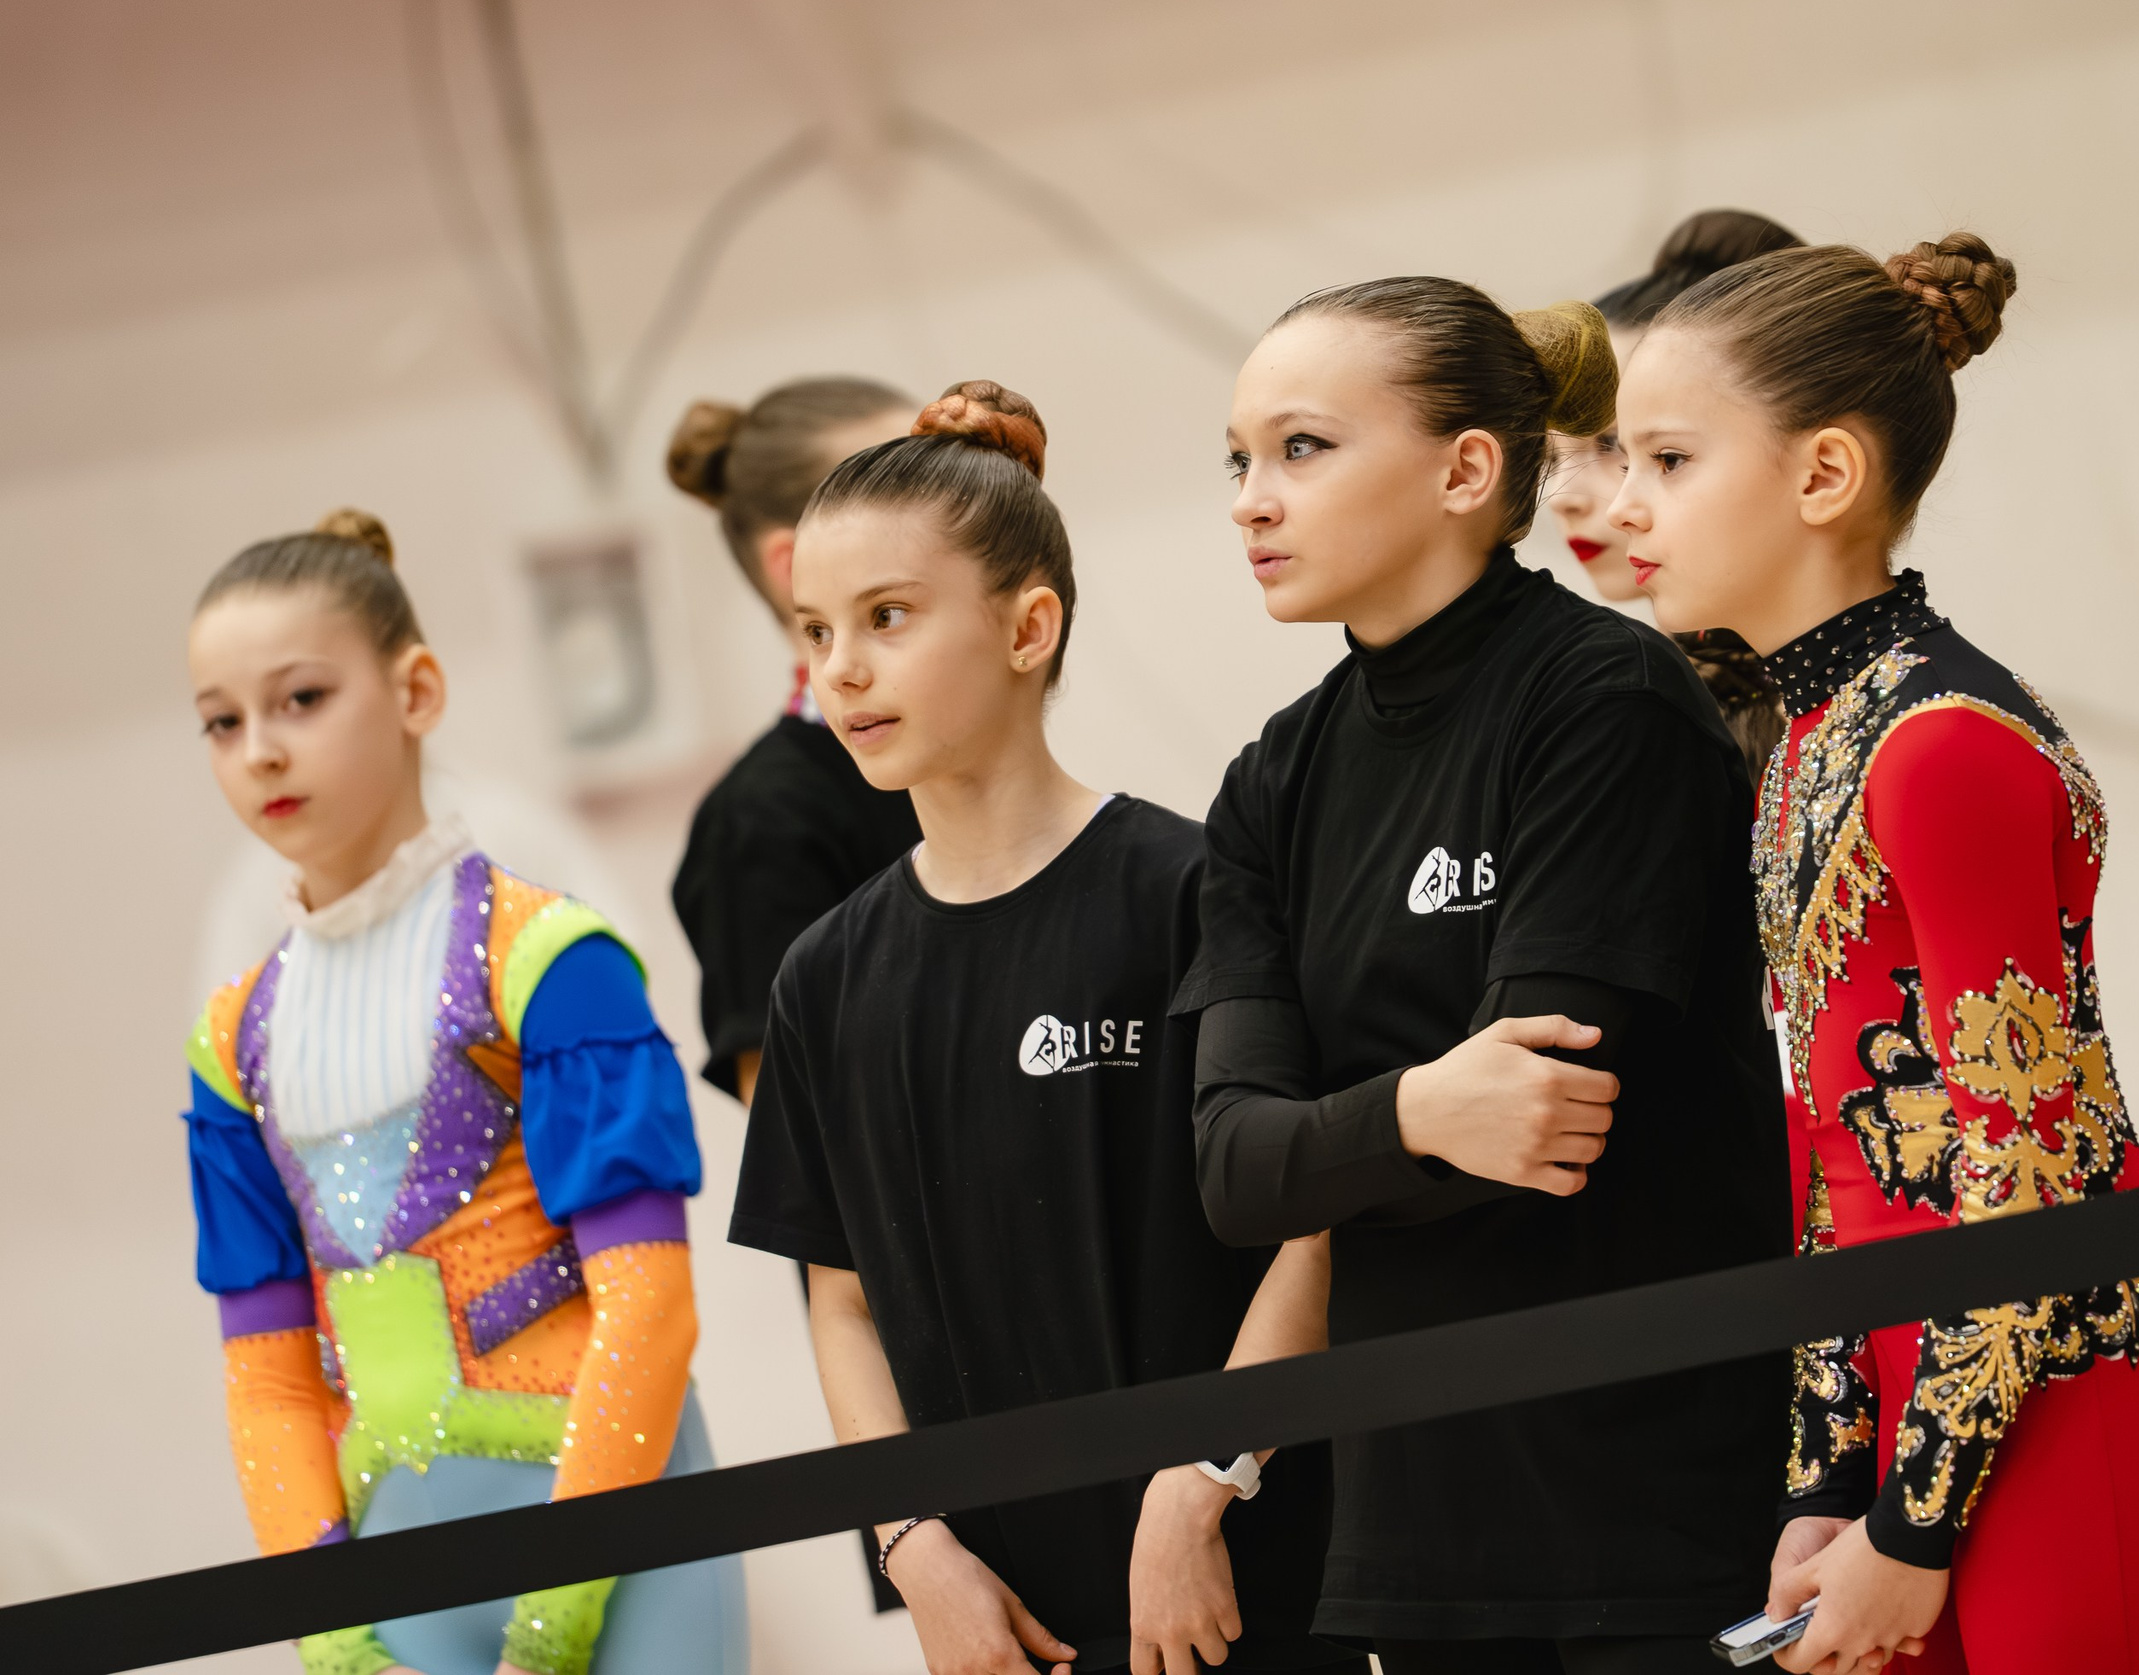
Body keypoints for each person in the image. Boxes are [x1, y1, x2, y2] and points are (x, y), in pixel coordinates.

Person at [1607, 233, 2139, 1675]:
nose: (1624, 503)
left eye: (1669, 461)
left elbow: (2029, 1169)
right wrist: (1831, 1484)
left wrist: (1916, 1516)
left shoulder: (1939, 743)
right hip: (1921, 1387)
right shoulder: (1801, 753)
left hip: (2069, 1370)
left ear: (1823, 477)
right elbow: (1838, 1163)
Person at [1181, 278, 1792, 1672]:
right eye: (1238, 458)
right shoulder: (1270, 782)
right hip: (1417, 1531)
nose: (1250, 501)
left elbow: (1537, 1111)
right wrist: (1409, 1114)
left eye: (1302, 448)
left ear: (1466, 469)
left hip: (1661, 1505)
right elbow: (1230, 1168)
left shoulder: (1605, 700)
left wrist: (1337, 1134)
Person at [724, 385, 1356, 1675]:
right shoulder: (824, 976)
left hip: (1242, 1580)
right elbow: (838, 1301)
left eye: (887, 618)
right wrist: (914, 1551)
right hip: (1000, 1624)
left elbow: (1321, 1227)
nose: (840, 667)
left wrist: (1203, 1485)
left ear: (1028, 626)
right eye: (817, 629)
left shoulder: (1196, 891)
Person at [183, 511, 745, 1675]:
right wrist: (333, 1636)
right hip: (396, 1583)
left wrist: (558, 1615)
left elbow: (649, 1308)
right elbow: (268, 1376)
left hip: (620, 1532)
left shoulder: (548, 960)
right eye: (223, 723)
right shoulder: (232, 1041)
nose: (262, 751)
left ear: (417, 690)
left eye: (301, 700)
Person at [666, 378, 924, 1109]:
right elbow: (804, 1140)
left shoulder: (964, 764)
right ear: (794, 565)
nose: (954, 514)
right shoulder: (761, 820)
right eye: (902, 489)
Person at [1549, 210, 1800, 772]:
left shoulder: (1895, 722)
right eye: (1551, 456)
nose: (1560, 498)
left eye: (1610, 444)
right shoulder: (1600, 710)